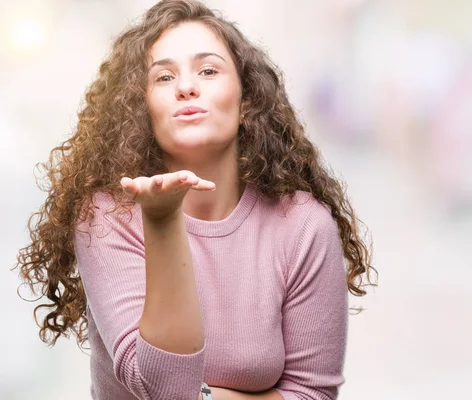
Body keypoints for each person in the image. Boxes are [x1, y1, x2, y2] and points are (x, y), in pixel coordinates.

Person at [13, 1, 377, 399]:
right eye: (164, 77)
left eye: (208, 70)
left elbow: (313, 395)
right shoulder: (107, 213)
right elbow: (164, 389)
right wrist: (162, 222)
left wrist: (203, 396)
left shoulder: (304, 225)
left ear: (246, 101)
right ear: (142, 109)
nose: (187, 86)